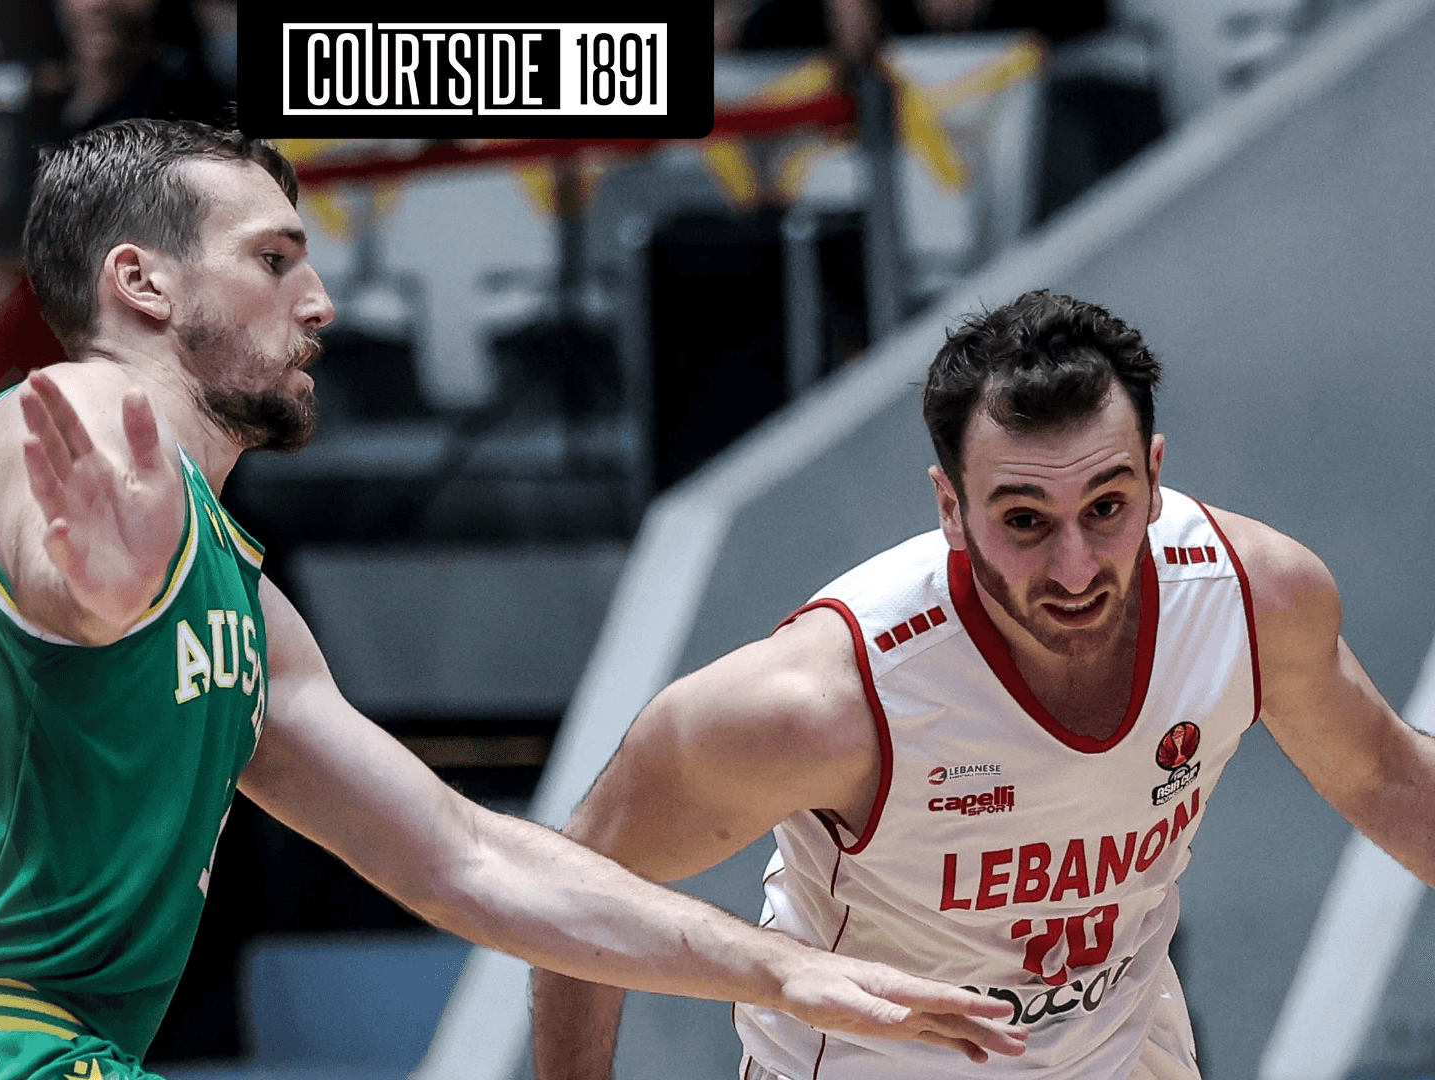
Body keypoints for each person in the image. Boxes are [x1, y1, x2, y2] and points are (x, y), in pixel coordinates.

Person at [0, 119, 1026, 1080]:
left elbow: (466, 860)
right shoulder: (77, 420)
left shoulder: (247, 613)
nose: (319, 303)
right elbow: (66, 573)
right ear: (142, 284)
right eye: (273, 260)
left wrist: (784, 970)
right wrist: (97, 588)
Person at [531, 290, 1435, 1080]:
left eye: (1106, 507)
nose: (1075, 567)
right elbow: (580, 884)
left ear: (1155, 478)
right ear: (951, 509)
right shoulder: (824, 703)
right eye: (1026, 521)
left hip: (1119, 1054)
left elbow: (1386, 778)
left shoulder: (1252, 598)